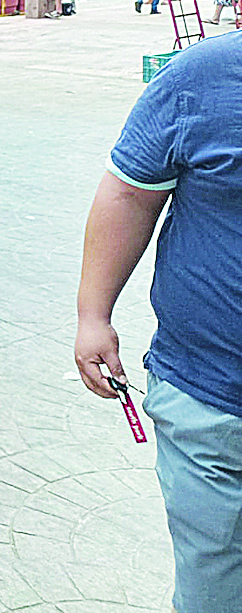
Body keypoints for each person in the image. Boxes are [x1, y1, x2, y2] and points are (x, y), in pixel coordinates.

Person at [74, 30, 242, 613]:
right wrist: (93, 315)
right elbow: (130, 194)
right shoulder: (206, 75)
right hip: (213, 400)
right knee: (213, 587)